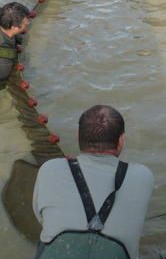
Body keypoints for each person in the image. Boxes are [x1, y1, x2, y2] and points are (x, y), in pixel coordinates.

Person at [33, 104, 154, 259]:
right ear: (121, 140)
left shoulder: (49, 169)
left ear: (78, 135)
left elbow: (40, 216)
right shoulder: (143, 176)